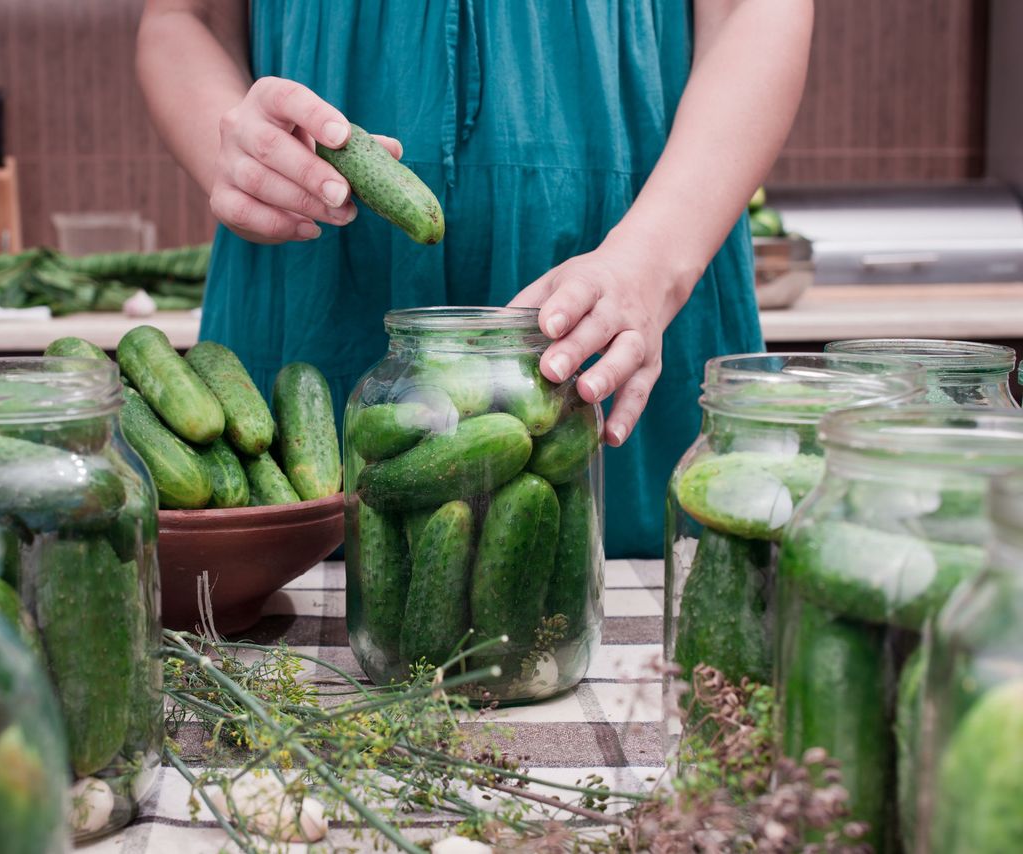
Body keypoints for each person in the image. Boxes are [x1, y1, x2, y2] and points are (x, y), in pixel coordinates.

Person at [137, 0, 813, 557]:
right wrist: (228, 147)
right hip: (312, 285)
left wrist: (654, 259)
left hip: (638, 266)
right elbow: (184, 19)